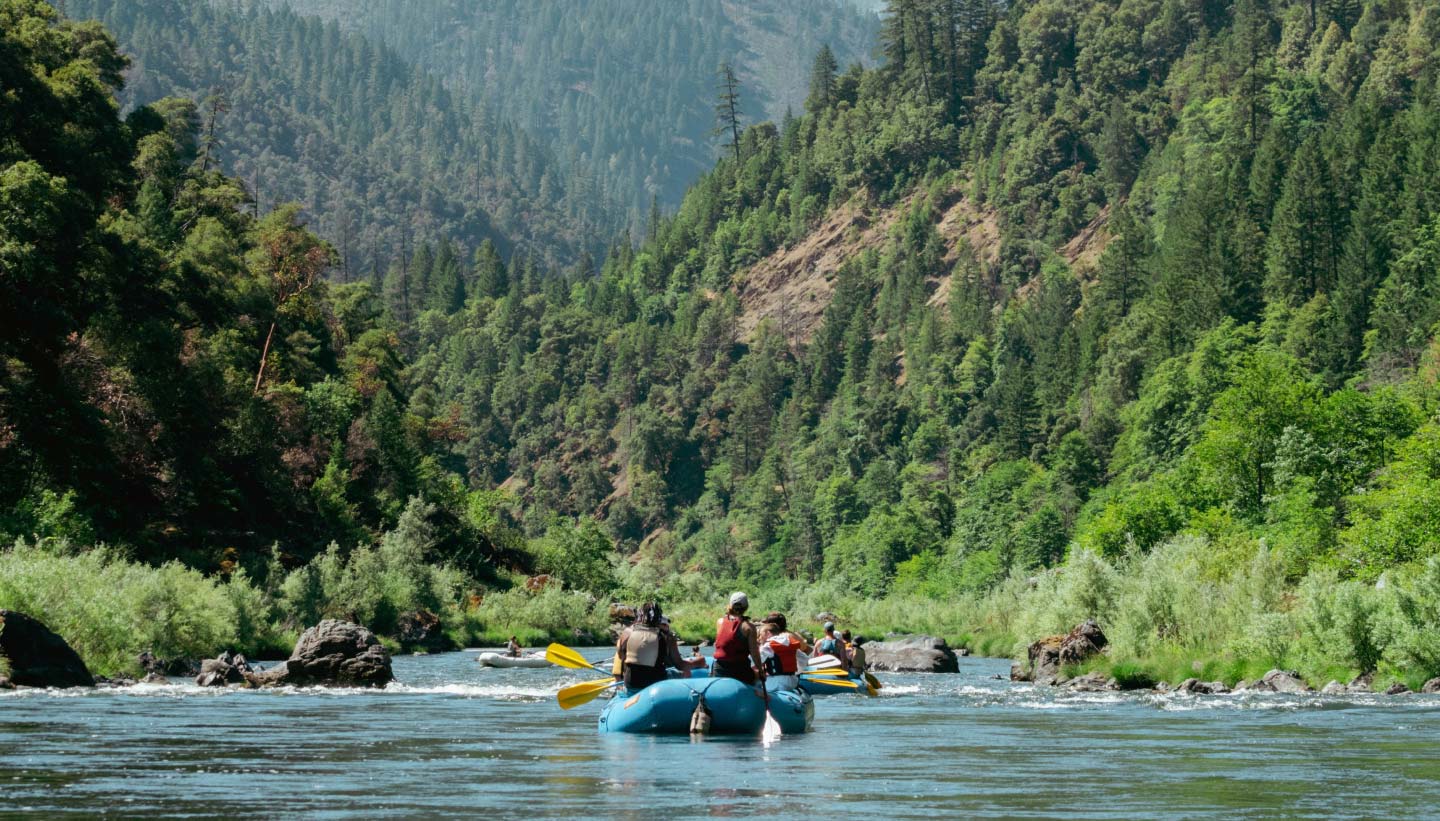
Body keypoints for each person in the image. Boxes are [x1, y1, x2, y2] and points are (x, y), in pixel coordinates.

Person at [615, 602, 698, 692]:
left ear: (639, 616)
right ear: (658, 618)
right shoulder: (667, 636)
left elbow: (620, 656)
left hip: (631, 684)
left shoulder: (627, 633)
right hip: (657, 684)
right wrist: (699, 663)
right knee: (685, 672)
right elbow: (680, 665)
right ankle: (688, 698)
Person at [712, 591, 764, 686]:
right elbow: (754, 654)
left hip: (719, 669)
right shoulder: (749, 627)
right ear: (746, 607)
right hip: (740, 670)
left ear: (730, 605)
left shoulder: (720, 622)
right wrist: (761, 671)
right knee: (758, 676)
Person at [758, 612, 810, 692]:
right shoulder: (791, 637)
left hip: (776, 682)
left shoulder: (770, 644)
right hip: (792, 680)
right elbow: (806, 655)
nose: (759, 638)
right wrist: (795, 672)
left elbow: (755, 660)